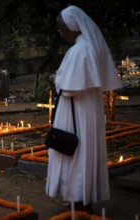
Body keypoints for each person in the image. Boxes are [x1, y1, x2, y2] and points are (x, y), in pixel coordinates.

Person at [46, 6, 122, 211]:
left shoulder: (80, 50)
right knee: (85, 151)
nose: (60, 32)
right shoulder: (90, 47)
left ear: (72, 26)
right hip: (86, 109)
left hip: (76, 111)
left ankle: (79, 198)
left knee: (76, 153)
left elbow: (70, 87)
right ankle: (82, 196)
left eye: (62, 28)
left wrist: (57, 79)